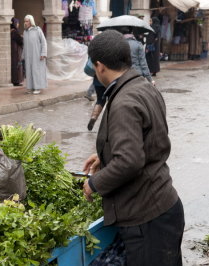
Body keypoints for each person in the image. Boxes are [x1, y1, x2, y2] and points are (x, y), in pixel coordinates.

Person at [82, 30, 184, 266]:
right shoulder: (142, 85)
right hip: (163, 206)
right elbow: (149, 139)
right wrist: (105, 154)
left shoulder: (124, 101)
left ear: (100, 66)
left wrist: (93, 184)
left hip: (147, 219)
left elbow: (129, 161)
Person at [23, 14, 47, 95]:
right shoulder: (25, 32)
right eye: (25, 21)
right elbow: (24, 45)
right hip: (28, 56)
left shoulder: (38, 30)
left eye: (27, 21)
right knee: (29, 71)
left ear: (31, 22)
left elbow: (44, 42)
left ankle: (37, 87)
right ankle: (30, 88)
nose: (25, 23)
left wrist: (43, 53)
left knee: (36, 71)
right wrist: (23, 56)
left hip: (37, 55)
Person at [10, 17, 23, 86]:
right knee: (17, 65)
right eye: (17, 23)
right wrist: (22, 37)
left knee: (14, 65)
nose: (18, 24)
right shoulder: (14, 32)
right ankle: (16, 81)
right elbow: (20, 41)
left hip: (12, 51)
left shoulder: (10, 30)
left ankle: (14, 80)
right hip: (16, 51)